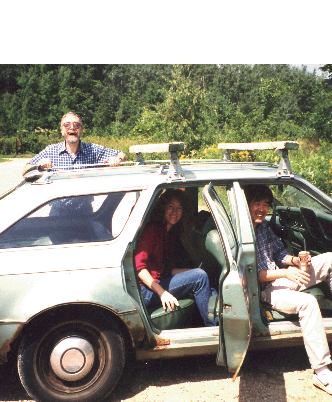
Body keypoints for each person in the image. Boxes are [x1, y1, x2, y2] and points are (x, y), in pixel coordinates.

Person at [244, 184, 332, 397]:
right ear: (247, 204)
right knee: (308, 303)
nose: (262, 209)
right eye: (257, 204)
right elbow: (251, 275)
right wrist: (286, 273)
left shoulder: (263, 227)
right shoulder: (242, 233)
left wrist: (293, 261)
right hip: (265, 290)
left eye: (265, 205)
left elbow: (279, 253)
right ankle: (321, 371)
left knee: (330, 259)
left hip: (283, 277)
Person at [134, 189, 218, 327]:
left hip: (158, 283)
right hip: (146, 291)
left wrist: (191, 272)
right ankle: (213, 329)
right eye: (171, 207)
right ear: (163, 208)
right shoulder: (152, 230)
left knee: (207, 282)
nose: (175, 212)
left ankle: (219, 324)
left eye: (179, 208)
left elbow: (169, 270)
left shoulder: (169, 234)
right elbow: (140, 269)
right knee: (200, 277)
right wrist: (162, 293)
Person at [24, 112, 126, 173]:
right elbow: (26, 169)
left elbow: (122, 154)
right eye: (67, 125)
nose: (72, 127)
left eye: (76, 125)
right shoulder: (51, 151)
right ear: (62, 131)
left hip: (85, 208)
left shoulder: (93, 150)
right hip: (58, 207)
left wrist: (117, 159)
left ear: (81, 130)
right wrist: (39, 165)